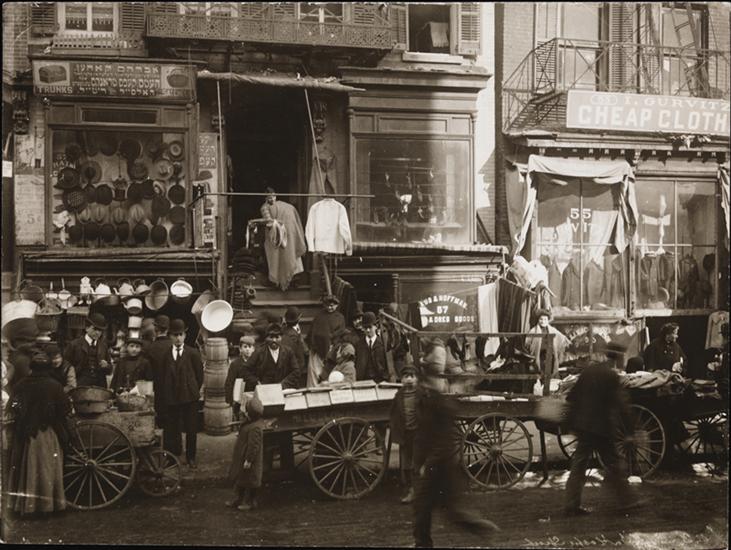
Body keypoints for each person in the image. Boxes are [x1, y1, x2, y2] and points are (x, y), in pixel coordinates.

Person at [412, 339, 500, 547]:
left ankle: (483, 528)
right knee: (431, 508)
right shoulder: (431, 397)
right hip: (438, 462)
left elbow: (440, 438)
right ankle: (424, 543)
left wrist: (426, 463)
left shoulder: (437, 401)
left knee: (446, 510)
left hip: (441, 464)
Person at [564, 359, 644, 516]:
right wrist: (629, 430)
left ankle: (571, 504)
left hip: (583, 426)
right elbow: (622, 405)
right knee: (613, 464)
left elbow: (571, 397)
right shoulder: (611, 376)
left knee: (579, 465)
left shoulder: (589, 371)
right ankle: (627, 500)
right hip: (601, 427)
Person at [6, 350, 71, 516]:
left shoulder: (21, 384)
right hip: (47, 432)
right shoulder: (54, 385)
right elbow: (65, 409)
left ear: (31, 368)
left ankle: (27, 505)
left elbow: (12, 407)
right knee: (47, 468)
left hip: (26, 433)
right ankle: (48, 506)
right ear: (48, 368)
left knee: (27, 468)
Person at [160, 319, 204, 469]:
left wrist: (192, 389)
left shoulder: (193, 353)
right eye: (175, 335)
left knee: (191, 429)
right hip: (172, 398)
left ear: (185, 335)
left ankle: (191, 457)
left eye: (180, 335)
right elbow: (162, 376)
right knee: (172, 428)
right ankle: (173, 456)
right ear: (170, 336)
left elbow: (199, 376)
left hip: (190, 398)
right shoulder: (166, 355)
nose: (178, 338)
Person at [259, 187, 306, 291]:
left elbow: (269, 223)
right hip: (292, 234)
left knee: (275, 256)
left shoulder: (265, 207)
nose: (271, 198)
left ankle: (276, 280)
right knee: (292, 254)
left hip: (278, 236)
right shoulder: (288, 206)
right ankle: (292, 280)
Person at [226, 395, 266, 511]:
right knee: (242, 478)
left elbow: (254, 446)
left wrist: (249, 460)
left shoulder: (255, 428)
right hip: (243, 457)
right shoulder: (251, 423)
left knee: (251, 481)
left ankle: (250, 502)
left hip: (249, 460)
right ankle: (239, 499)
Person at [389, 364, 419, 504]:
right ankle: (411, 490)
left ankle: (422, 491)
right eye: (406, 376)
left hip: (419, 433)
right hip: (405, 433)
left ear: (417, 379)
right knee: (407, 464)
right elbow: (393, 414)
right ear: (401, 379)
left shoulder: (422, 395)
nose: (409, 380)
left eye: (412, 376)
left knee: (419, 463)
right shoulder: (398, 396)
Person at [244, 323, 301, 390]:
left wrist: (284, 384)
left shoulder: (288, 352)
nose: (274, 340)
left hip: (283, 390)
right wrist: (257, 382)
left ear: (281, 338)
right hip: (264, 390)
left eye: (277, 337)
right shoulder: (259, 352)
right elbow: (245, 370)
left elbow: (296, 371)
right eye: (271, 337)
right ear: (266, 338)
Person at [64, 312, 112, 388]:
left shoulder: (103, 346)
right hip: (79, 383)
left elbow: (109, 370)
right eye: (95, 329)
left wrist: (106, 366)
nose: (97, 333)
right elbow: (66, 366)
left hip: (99, 385)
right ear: (87, 328)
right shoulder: (74, 345)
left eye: (100, 330)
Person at [307, 295, 345, 387]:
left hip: (331, 350)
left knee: (329, 373)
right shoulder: (319, 316)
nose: (329, 307)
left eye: (332, 305)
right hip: (317, 350)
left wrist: (333, 344)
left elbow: (340, 332)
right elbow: (312, 331)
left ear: (336, 305)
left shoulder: (340, 317)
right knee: (314, 372)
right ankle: (314, 389)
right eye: (327, 305)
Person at [144, 314, 173, 427]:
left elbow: (148, 373)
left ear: (155, 329)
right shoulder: (174, 346)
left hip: (158, 389)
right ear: (168, 330)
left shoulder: (150, 348)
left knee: (160, 419)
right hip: (174, 388)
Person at [526, 309, 569, 378]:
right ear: (538, 320)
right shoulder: (534, 330)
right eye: (541, 319)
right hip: (539, 355)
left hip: (549, 355)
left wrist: (566, 341)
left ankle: (548, 380)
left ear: (548, 320)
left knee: (550, 371)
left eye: (545, 319)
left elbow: (561, 338)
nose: (543, 321)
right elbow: (527, 342)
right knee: (539, 371)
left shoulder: (552, 329)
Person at [225, 335, 256, 418]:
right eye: (245, 347)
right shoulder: (235, 364)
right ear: (240, 349)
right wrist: (231, 400)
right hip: (239, 397)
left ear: (253, 349)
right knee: (240, 418)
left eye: (250, 347)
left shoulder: (257, 363)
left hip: (253, 396)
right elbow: (229, 382)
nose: (247, 349)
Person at [355, 312, 388, 382]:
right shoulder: (359, 345)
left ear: (376, 326)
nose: (367, 330)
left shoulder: (383, 344)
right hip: (363, 382)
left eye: (370, 327)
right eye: (365, 327)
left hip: (380, 381)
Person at [281, 306, 307, 381]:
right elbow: (304, 350)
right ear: (298, 319)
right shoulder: (294, 335)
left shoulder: (283, 330)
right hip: (294, 367)